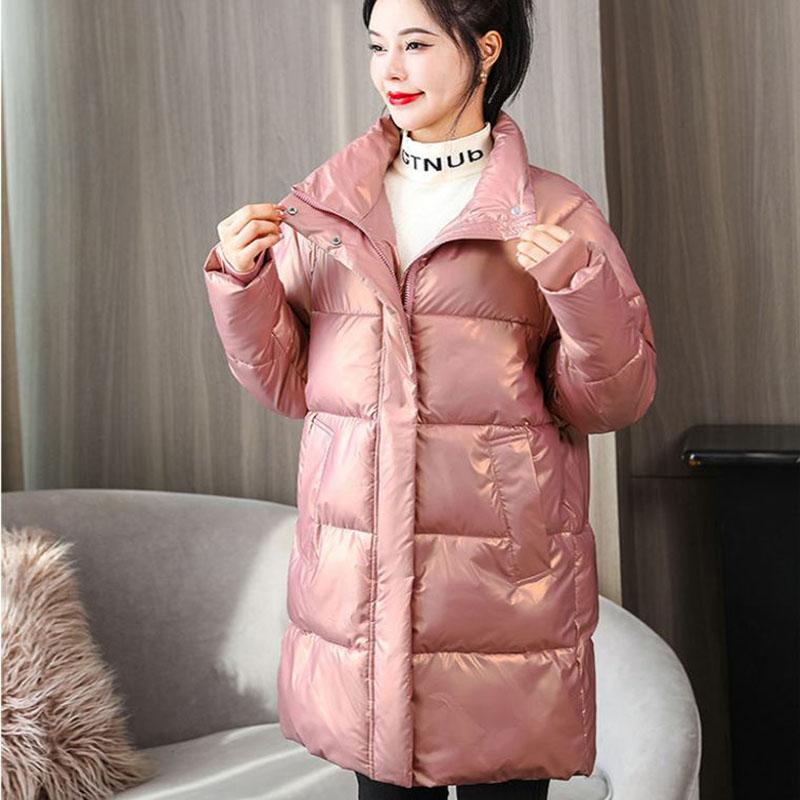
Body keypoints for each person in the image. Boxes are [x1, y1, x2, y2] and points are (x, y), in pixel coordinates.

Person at [202, 0, 657, 797]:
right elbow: (287, 385)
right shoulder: (328, 211)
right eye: (378, 46)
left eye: (415, 44)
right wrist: (243, 284)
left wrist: (576, 286)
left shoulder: (552, 214)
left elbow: (610, 401)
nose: (391, 70)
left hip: (503, 590)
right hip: (363, 595)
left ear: (486, 50)